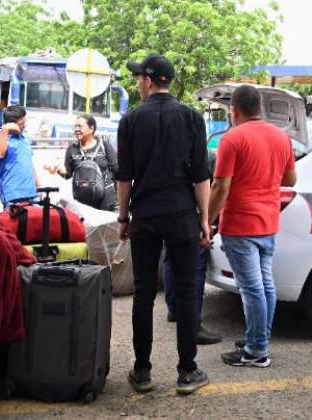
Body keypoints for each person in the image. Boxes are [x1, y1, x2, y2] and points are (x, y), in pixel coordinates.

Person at [117, 54, 211, 395]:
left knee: (144, 292)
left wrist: (123, 216)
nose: (136, 83)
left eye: (138, 77)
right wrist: (204, 220)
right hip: (182, 214)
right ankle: (187, 372)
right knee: (187, 292)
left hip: (145, 215)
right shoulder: (191, 118)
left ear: (149, 80)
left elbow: (124, 177)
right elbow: (201, 176)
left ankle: (142, 372)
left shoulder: (130, 120)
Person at [208, 85, 297, 368]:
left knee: (252, 289)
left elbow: (221, 185)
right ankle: (258, 338)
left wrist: (206, 221)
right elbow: (291, 180)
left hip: (240, 223)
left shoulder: (232, 139)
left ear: (234, 111)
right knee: (264, 286)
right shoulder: (281, 137)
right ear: (260, 107)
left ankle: (256, 351)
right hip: (268, 222)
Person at [161, 149, 221, 345]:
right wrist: (207, 219)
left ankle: (174, 309)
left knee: (171, 259)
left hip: (170, 213)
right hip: (193, 216)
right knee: (195, 270)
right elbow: (212, 186)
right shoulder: (206, 156)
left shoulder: (167, 151)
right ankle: (193, 325)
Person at [46, 114, 118, 211]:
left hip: (106, 197)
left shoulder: (104, 146)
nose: (76, 129)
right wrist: (58, 169)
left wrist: (120, 196)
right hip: (82, 198)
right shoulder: (72, 149)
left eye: (80, 126)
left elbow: (117, 169)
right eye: (75, 126)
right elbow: (68, 174)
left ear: (91, 128)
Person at [0, 105, 42, 207]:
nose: (25, 125)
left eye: (25, 122)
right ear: (12, 124)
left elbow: (30, 164)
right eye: (22, 123)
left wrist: (40, 188)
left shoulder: (24, 138)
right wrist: (5, 131)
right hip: (13, 196)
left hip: (32, 195)